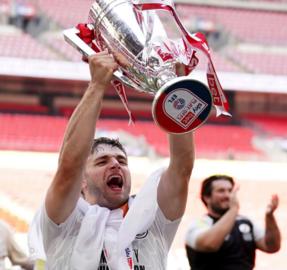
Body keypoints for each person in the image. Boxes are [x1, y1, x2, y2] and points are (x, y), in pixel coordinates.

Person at [28, 51, 195, 270]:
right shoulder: (65, 220)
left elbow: (181, 167)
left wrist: (176, 86)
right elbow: (69, 167)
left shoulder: (151, 219)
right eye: (101, 161)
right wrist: (97, 85)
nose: (115, 164)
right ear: (82, 182)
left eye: (121, 161)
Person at [185, 175, 281, 270]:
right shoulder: (199, 224)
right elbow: (209, 244)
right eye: (221, 191)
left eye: (230, 191)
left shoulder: (246, 223)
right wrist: (234, 209)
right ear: (207, 197)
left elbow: (272, 247)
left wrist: (269, 217)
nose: (228, 195)